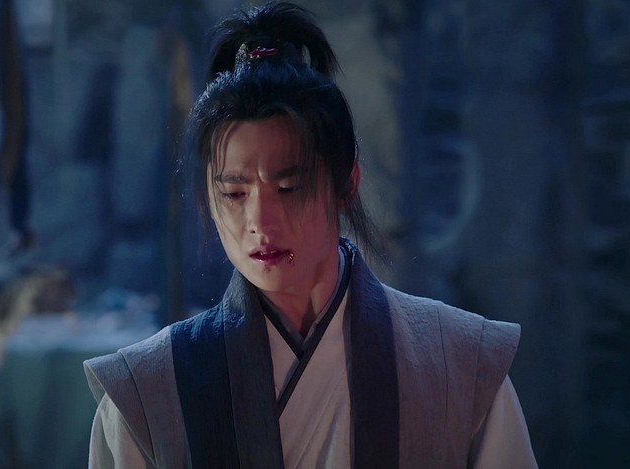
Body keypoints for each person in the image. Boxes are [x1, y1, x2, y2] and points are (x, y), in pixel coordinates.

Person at [84, 2, 537, 468]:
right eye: (235, 194)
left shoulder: (462, 365)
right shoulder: (147, 392)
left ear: (347, 183)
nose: (261, 221)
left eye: (289, 187)